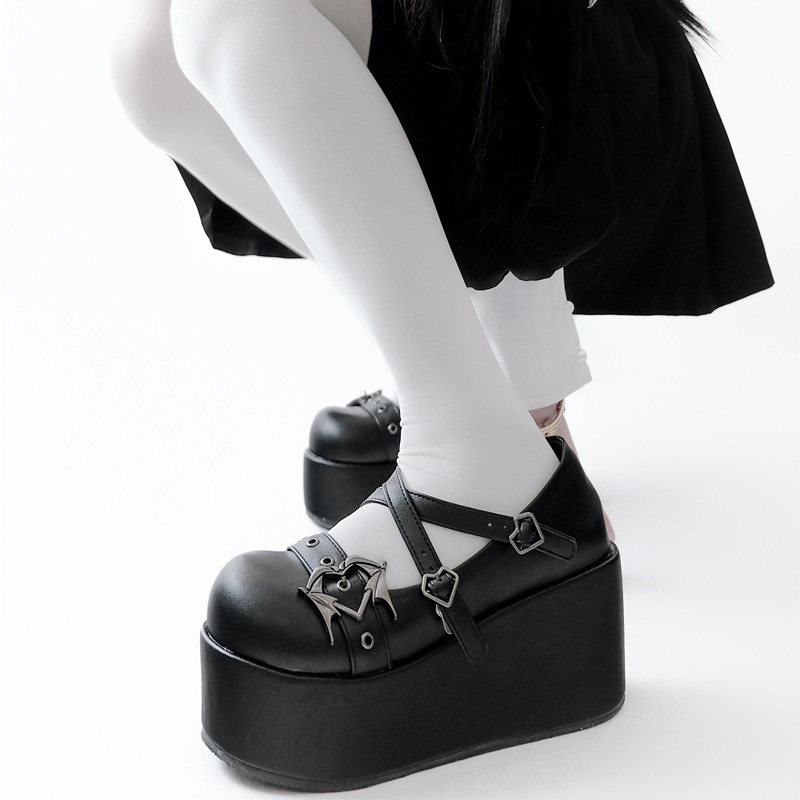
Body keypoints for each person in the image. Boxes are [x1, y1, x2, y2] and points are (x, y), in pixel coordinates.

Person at [110, 0, 773, 789]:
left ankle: (482, 464)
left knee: (231, 9)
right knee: (150, 60)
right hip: (489, 80)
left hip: (571, 81)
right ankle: (482, 393)